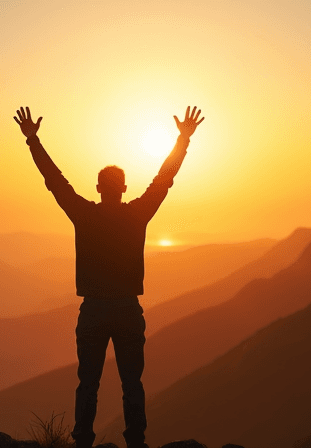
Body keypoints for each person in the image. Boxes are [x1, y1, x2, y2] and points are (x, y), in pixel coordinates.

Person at [14, 105, 204, 448]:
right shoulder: (137, 214)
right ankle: (136, 443)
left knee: (88, 382)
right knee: (132, 383)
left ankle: (83, 442)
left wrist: (33, 140)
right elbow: (164, 180)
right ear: (124, 187)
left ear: (99, 188)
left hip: (94, 311)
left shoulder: (84, 215)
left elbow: (55, 181)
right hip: (128, 310)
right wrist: (183, 141)